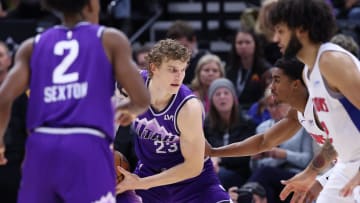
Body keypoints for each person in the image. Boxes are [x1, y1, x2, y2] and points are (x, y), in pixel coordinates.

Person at [0, 0, 151, 202]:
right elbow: (142, 99)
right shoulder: (110, 39)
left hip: (41, 145)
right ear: (91, 4)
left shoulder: (31, 46)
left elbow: (3, 98)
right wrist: (128, 110)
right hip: (87, 144)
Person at [116, 39, 231, 202]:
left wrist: (142, 183)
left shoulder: (189, 108)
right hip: (150, 172)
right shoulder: (132, 85)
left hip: (192, 181)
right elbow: (105, 109)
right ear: (154, 68)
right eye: (172, 70)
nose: (179, 76)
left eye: (183, 70)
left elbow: (193, 167)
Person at [269, 0, 360, 202]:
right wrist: (310, 173)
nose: (276, 38)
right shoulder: (310, 73)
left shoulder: (332, 61)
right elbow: (337, 136)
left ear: (301, 30)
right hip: (348, 162)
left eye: (281, 31)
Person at [207, 57, 329, 202]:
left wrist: (310, 173)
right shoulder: (297, 113)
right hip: (343, 168)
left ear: (295, 84)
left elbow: (336, 144)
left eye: (277, 80)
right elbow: (262, 142)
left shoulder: (321, 106)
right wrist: (214, 151)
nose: (271, 87)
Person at [204, 78, 256, 190]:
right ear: (211, 100)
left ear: (233, 97)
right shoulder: (205, 125)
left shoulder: (247, 123)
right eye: (217, 94)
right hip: (212, 169)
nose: (222, 97)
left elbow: (246, 154)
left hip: (240, 174)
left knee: (215, 177)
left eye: (226, 93)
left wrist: (219, 158)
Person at [0, 41, 28, 203]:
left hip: (14, 165)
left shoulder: (22, 93)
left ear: (9, 60)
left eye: (1, 55)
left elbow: (32, 130)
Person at [166, 20, 209, 85]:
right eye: (176, 48)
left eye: (184, 46)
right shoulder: (166, 62)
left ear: (193, 40)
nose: (180, 52)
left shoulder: (205, 59)